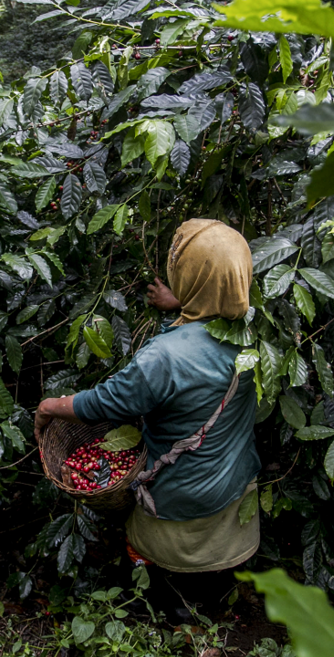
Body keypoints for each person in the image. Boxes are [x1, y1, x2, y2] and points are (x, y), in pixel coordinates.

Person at [34, 219, 261, 618]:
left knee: (142, 548)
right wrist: (183, 306)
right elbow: (204, 348)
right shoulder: (256, 329)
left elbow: (108, 402)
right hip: (235, 484)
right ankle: (219, 588)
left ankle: (158, 598)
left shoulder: (162, 357)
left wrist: (51, 406)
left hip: (180, 498)